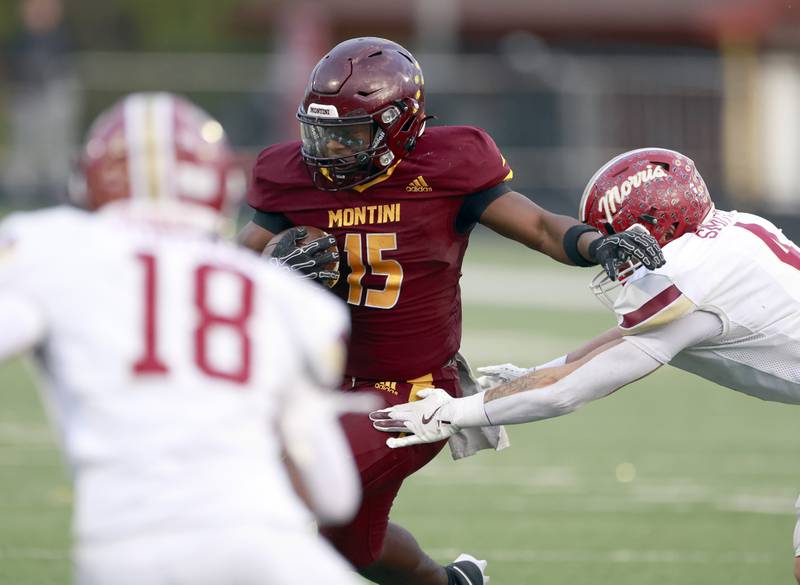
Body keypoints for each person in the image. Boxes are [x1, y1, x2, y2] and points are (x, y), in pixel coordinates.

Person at [238, 37, 666, 585]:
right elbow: (230, 272)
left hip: (411, 394)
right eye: (320, 133)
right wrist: (274, 273)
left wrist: (595, 245)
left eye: (348, 137)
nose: (328, 151)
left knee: (278, 492)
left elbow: (537, 226)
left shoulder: (447, 167)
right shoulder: (289, 176)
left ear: (399, 126)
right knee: (357, 549)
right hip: (315, 385)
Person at [368, 147, 800, 583]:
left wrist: (455, 413)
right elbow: (621, 342)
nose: (618, 259)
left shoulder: (689, 281)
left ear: (655, 225)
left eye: (620, 240)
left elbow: (567, 392)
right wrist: (536, 373)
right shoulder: (728, 234)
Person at [0, 92, 366, 585]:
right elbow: (335, 494)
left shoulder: (51, 244)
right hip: (265, 543)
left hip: (125, 546)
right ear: (221, 185)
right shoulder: (283, 295)